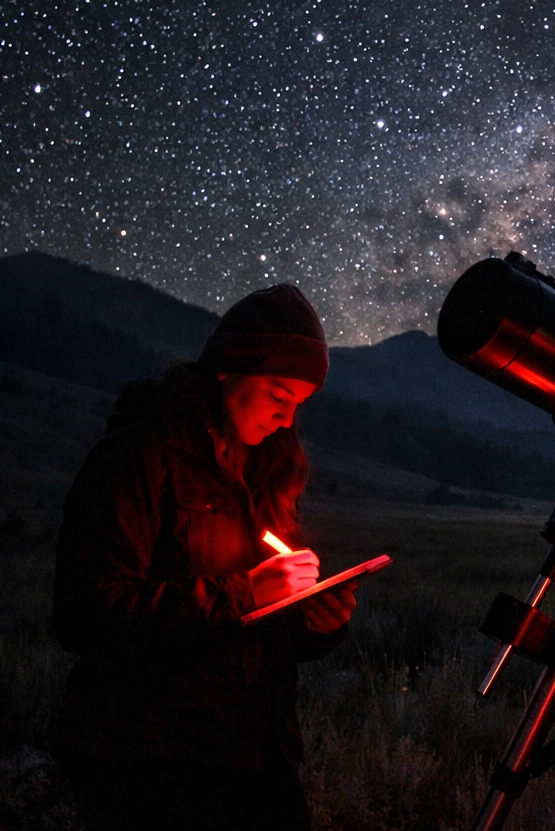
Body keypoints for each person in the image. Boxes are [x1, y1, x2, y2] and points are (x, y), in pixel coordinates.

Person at [53, 284, 356, 831]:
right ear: (228, 372)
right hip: (152, 761)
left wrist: (313, 621)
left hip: (256, 754)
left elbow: (255, 633)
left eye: (298, 407)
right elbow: (87, 614)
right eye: (278, 396)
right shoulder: (138, 457)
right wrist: (246, 595)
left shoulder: (264, 477)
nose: (286, 422)